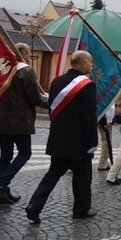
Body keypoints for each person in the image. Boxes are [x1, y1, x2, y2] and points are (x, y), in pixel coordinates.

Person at [25, 50, 98, 224]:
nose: (92, 65)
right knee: (83, 176)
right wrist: (92, 141)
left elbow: (52, 108)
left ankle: (34, 206)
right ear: (84, 64)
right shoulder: (87, 85)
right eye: (91, 62)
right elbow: (88, 117)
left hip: (58, 140)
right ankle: (81, 209)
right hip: (79, 142)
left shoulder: (57, 81)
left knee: (52, 175)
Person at [0, 43, 49, 204]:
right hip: (19, 121)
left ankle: (3, 194)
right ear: (22, 53)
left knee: (6, 156)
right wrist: (51, 101)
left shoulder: (4, 70)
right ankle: (1, 183)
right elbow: (34, 98)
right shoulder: (26, 71)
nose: (29, 56)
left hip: (3, 120)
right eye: (28, 53)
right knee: (25, 153)